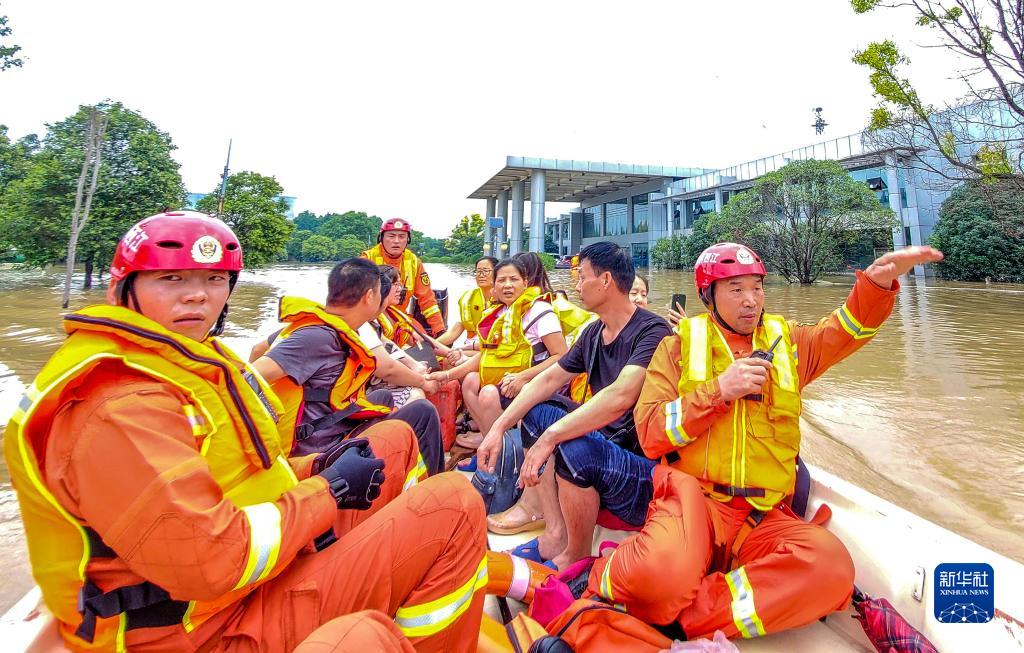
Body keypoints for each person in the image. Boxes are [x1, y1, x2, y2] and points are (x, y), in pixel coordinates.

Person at [4, 211, 488, 652]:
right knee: (453, 505)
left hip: (250, 575)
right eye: (172, 278)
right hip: (202, 627)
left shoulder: (187, 362)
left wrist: (316, 468)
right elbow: (212, 558)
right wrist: (330, 489)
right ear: (123, 288)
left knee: (393, 440)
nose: (197, 295)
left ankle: (397, 566)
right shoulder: (120, 404)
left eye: (214, 279)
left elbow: (243, 472)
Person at [569, 242, 943, 641]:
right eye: (736, 290)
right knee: (661, 572)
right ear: (708, 295)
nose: (751, 300)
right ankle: (604, 575)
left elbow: (847, 329)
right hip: (695, 503)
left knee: (831, 566)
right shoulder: (677, 346)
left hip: (761, 517)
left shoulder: (789, 345)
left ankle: (685, 615)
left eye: (757, 288)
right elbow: (650, 433)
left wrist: (877, 284)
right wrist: (718, 392)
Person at [476, 242, 672, 567]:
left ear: (605, 280)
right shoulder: (594, 333)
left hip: (638, 465)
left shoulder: (653, 330)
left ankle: (575, 556)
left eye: (582, 277)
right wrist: (497, 428)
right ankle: (555, 530)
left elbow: (621, 396)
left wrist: (551, 437)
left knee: (575, 444)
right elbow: (547, 380)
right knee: (537, 410)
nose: (577, 286)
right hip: (604, 444)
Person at [252, 258, 444, 476]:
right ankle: (433, 485)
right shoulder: (318, 336)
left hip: (331, 429)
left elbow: (257, 350)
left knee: (382, 397)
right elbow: (248, 378)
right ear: (369, 297)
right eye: (379, 292)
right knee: (423, 412)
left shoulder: (332, 326)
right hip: (320, 451)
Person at [435, 257, 568, 440]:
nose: (507, 285)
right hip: (504, 376)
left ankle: (497, 447)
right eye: (501, 280)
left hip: (533, 379)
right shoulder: (500, 314)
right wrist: (447, 376)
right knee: (471, 381)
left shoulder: (539, 311)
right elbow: (486, 356)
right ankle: (488, 440)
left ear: (525, 283)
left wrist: (523, 377)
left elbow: (562, 355)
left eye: (513, 279)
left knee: (488, 394)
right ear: (495, 286)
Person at [359, 265, 440, 409]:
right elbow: (387, 369)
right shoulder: (361, 324)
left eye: (400, 284)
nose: (400, 289)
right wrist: (422, 381)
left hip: (371, 380)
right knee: (417, 397)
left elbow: (388, 345)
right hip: (361, 390)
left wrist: (415, 366)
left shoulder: (372, 321)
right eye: (395, 285)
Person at [362, 218, 445, 336]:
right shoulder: (367, 259)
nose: (396, 241)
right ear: (381, 238)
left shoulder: (414, 262)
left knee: (423, 338)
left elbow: (427, 299)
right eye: (391, 236)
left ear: (408, 240)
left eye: (401, 236)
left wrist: (440, 329)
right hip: (372, 317)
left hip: (401, 317)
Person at [435, 256, 497, 367]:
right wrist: (431, 344)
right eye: (478, 271)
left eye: (486, 271)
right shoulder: (468, 298)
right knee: (444, 357)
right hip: (471, 346)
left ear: (497, 273)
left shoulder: (503, 299)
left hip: (491, 348)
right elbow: (455, 331)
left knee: (451, 359)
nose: (481, 275)